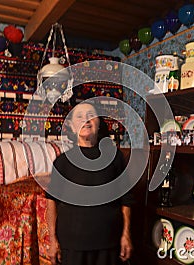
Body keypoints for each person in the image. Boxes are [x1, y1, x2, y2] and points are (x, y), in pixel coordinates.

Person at [46, 102, 134, 265]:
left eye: (90, 115)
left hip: (108, 244)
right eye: (79, 116)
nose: (86, 119)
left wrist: (126, 235)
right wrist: (53, 241)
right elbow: (51, 202)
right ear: (72, 127)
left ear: (98, 123)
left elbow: (126, 199)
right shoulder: (62, 163)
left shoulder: (115, 158)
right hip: (72, 246)